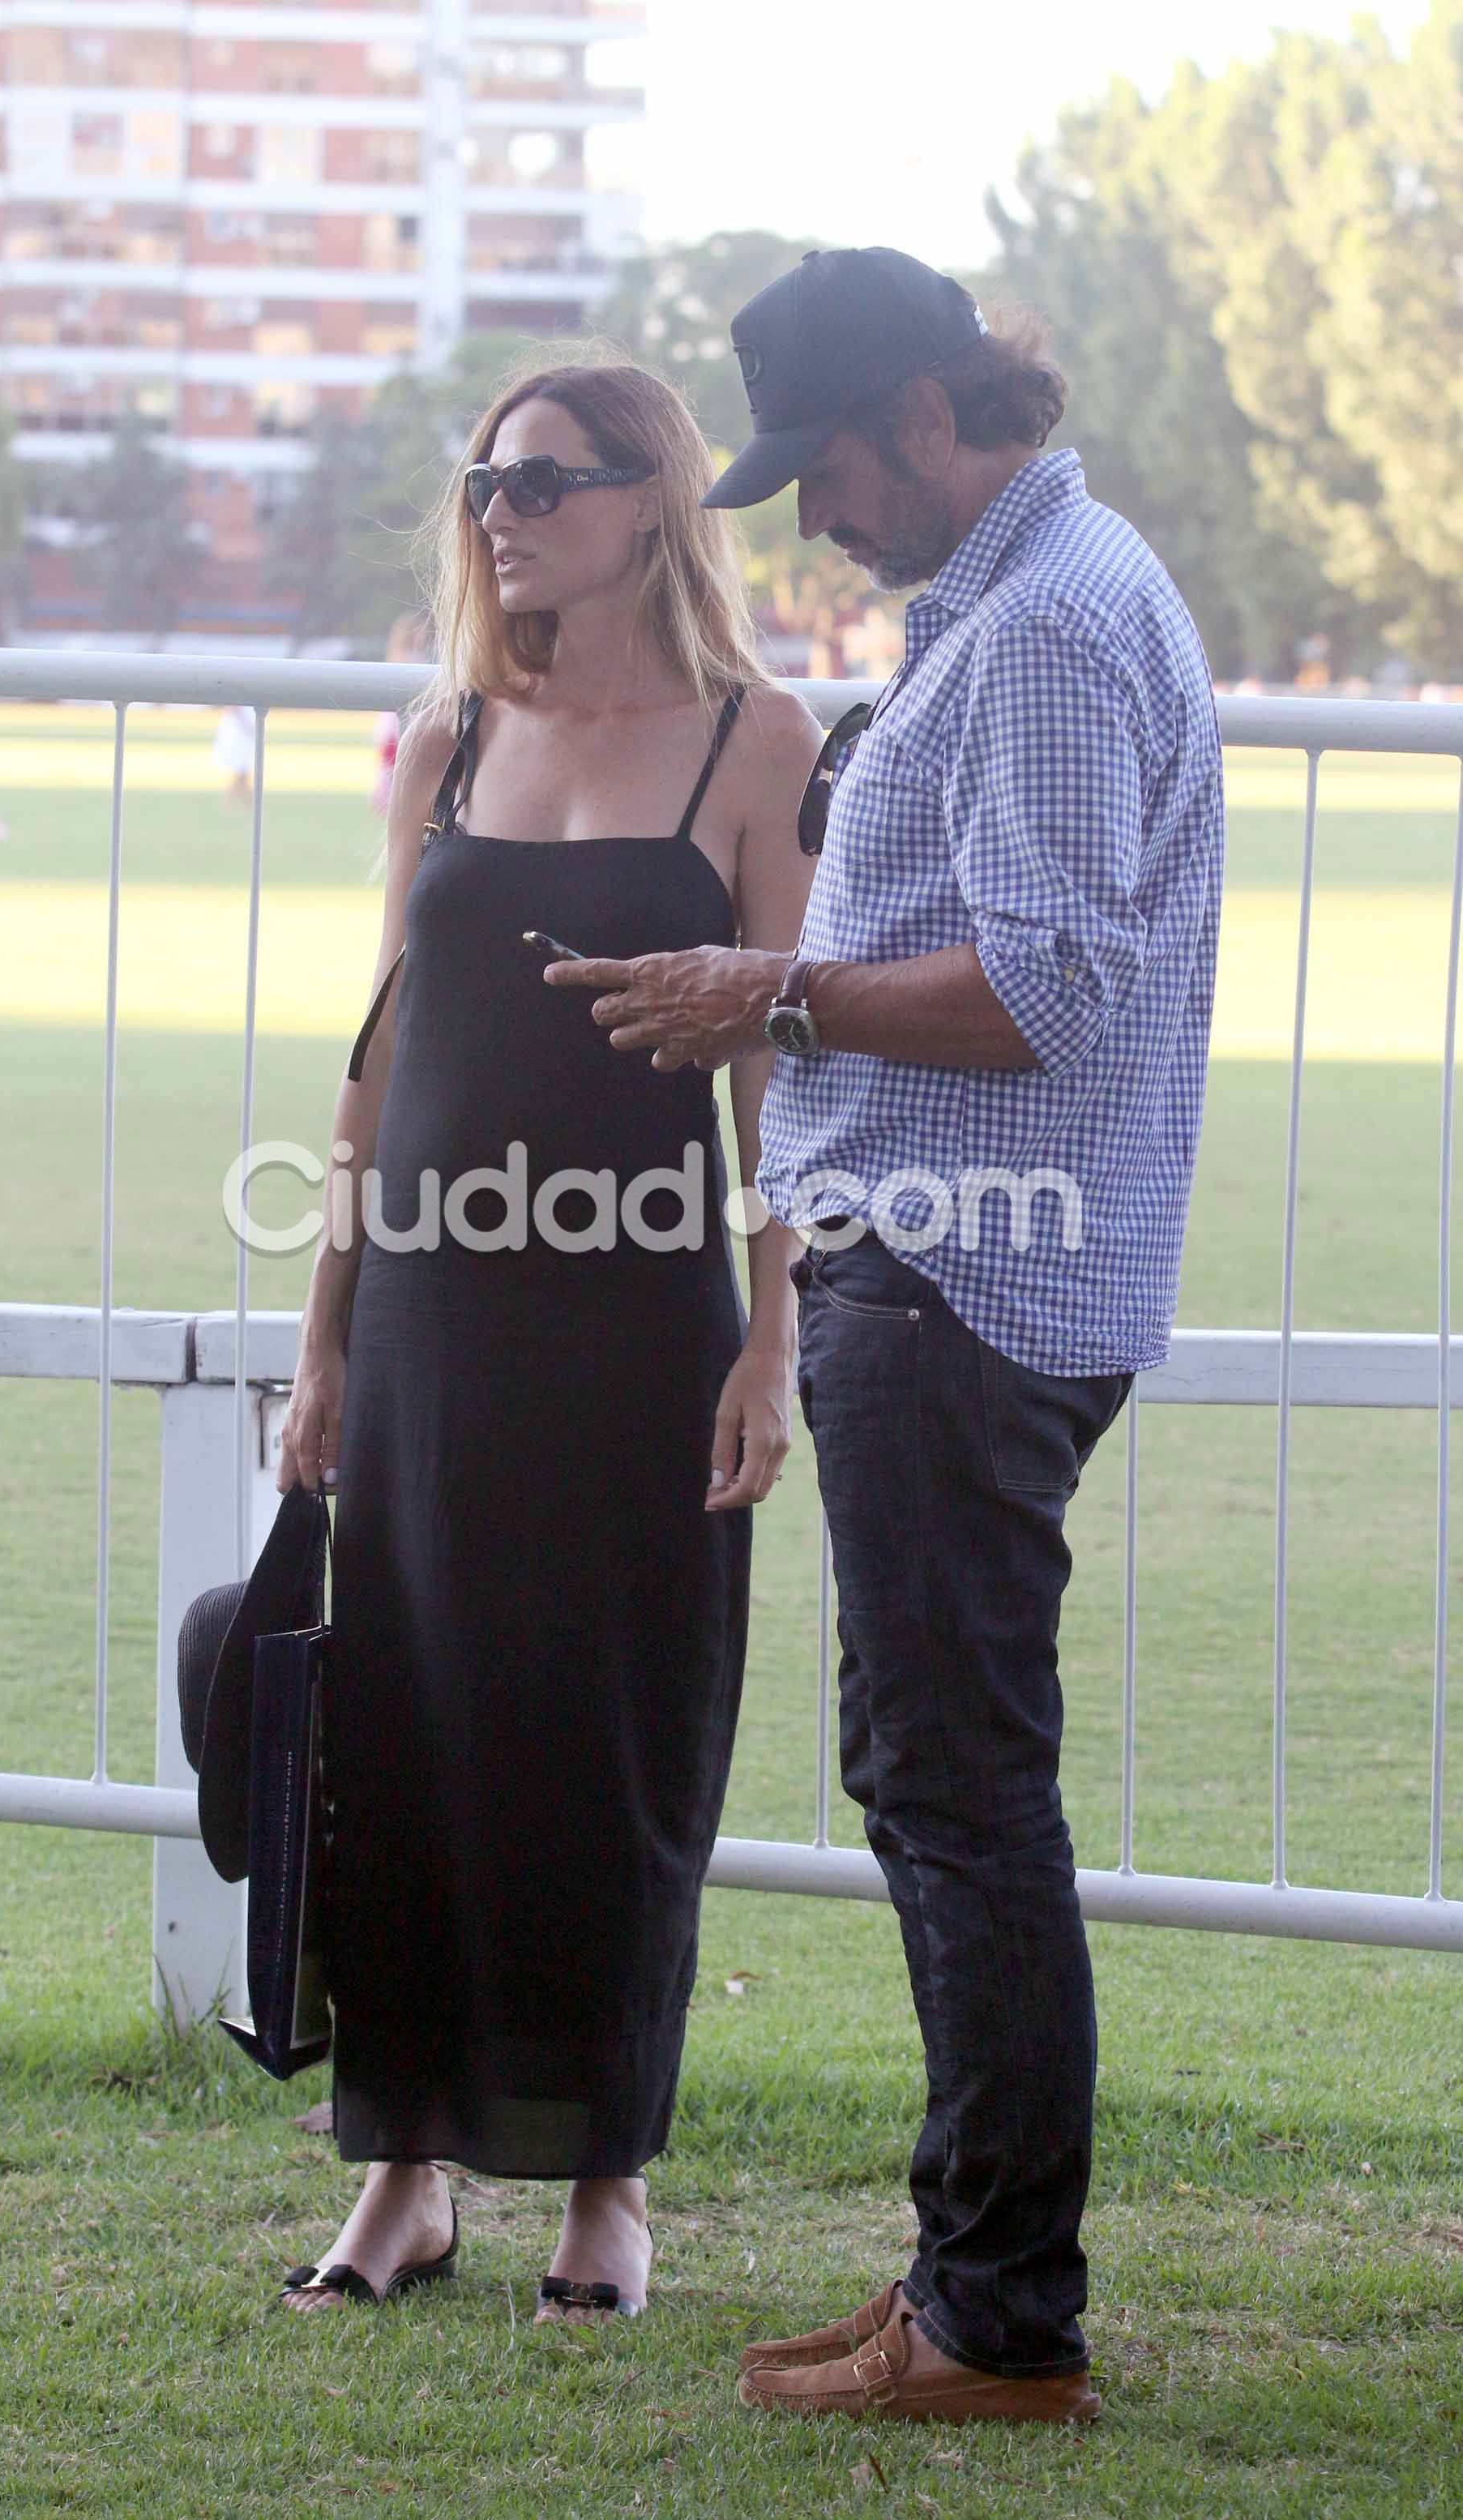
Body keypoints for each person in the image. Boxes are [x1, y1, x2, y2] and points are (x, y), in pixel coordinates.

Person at [548, 248, 1224, 2422]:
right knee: (947, 1786)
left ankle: (1001, 2314)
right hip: (964, 1275)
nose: (816, 513)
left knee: (955, 1797)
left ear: (930, 413)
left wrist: (777, 991)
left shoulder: (1038, 630)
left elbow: (1041, 998)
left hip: (960, 1284)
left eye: (827, 468)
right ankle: (966, 2269)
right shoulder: (1041, 596)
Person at [272, 359, 824, 2324]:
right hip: (429, 1305)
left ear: (655, 500)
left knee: (610, 1738)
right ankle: (403, 2170)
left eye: (549, 478)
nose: (504, 508)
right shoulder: (438, 737)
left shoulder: (759, 747)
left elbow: (784, 1088)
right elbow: (385, 1046)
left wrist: (772, 1347)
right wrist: (323, 1336)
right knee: (406, 1732)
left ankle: (606, 2182)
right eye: (487, 478)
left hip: (638, 1321)